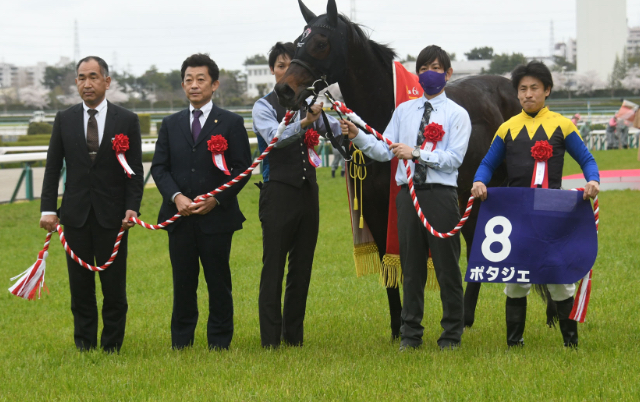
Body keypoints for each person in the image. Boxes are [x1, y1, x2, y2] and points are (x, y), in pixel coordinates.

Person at [340, 45, 472, 351]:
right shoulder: (403, 111)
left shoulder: (457, 115)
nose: (430, 74)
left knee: (446, 267)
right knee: (410, 268)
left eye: (437, 68)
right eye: (424, 68)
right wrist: (356, 135)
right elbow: (383, 150)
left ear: (448, 74)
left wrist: (415, 153)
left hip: (440, 196)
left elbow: (453, 159)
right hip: (407, 197)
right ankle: (411, 335)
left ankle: (451, 334)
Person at [471, 61, 599, 349]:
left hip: (554, 215)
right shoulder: (506, 128)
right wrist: (480, 181)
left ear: (547, 90)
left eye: (534, 88)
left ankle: (571, 344)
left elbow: (588, 160)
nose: (528, 94)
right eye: (522, 89)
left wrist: (593, 181)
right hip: (517, 216)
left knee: (560, 280)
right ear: (517, 94)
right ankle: (514, 344)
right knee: (516, 281)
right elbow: (488, 163)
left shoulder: (563, 125)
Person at [40, 56, 144, 352]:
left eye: (94, 77)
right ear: (76, 83)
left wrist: (132, 207)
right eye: (82, 77)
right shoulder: (64, 118)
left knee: (114, 288)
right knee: (80, 288)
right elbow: (52, 167)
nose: (87, 83)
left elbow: (134, 170)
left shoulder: (126, 120)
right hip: (74, 217)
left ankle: (112, 345)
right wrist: (48, 208)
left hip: (113, 217)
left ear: (107, 82)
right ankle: (84, 344)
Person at [151, 53, 252, 350]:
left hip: (216, 219)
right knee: (183, 283)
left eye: (200, 80)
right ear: (182, 85)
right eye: (188, 80)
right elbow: (159, 167)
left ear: (214, 84)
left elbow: (242, 168)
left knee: (218, 282)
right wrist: (176, 197)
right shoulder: (170, 124)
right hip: (179, 218)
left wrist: (216, 199)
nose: (194, 85)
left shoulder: (231, 122)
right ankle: (181, 342)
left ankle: (219, 342)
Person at [252, 41, 342, 348]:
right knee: (273, 267)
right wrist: (305, 123)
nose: (285, 70)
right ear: (273, 71)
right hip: (277, 191)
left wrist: (346, 118)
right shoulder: (263, 106)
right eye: (280, 66)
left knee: (301, 268)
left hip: (308, 192)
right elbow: (273, 140)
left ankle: (294, 336)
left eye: (290, 65)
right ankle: (270, 340)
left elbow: (337, 131)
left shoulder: (311, 105)